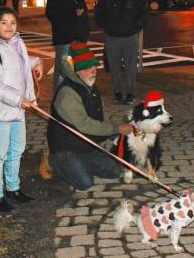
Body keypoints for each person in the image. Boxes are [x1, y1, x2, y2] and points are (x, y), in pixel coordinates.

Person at [0, 7, 43, 215]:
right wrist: (18, 99)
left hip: (16, 109)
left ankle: (13, 188)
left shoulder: (14, 43)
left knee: (17, 150)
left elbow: (18, 64)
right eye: (4, 22)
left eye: (13, 22)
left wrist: (37, 62)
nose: (9, 27)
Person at [46, 41, 135, 190]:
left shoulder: (90, 88)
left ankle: (80, 164)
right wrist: (116, 128)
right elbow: (85, 124)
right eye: (88, 68)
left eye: (94, 67)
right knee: (85, 183)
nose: (93, 71)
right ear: (77, 71)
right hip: (65, 148)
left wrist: (113, 134)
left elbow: (99, 118)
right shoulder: (67, 93)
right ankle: (53, 161)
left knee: (114, 170)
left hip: (86, 145)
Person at [95, 0, 147, 104]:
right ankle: (117, 91)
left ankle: (131, 92)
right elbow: (98, 12)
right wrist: (105, 26)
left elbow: (144, 13)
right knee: (114, 66)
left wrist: (137, 26)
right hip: (112, 37)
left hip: (130, 36)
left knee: (131, 67)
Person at [45, 0, 89, 91]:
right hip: (63, 37)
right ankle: (58, 93)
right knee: (61, 68)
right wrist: (71, 14)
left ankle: (74, 92)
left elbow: (84, 12)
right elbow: (50, 14)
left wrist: (81, 15)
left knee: (76, 68)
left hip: (77, 38)